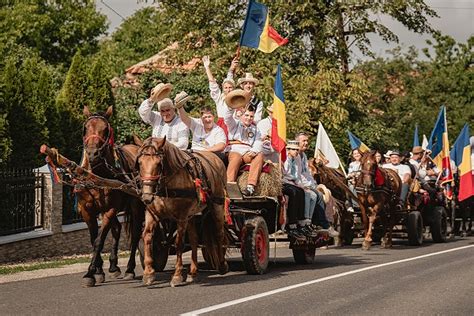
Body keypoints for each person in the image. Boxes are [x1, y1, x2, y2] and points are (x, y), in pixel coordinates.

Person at [296, 132, 339, 237]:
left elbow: (306, 173)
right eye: (303, 141)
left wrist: (314, 184)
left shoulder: (304, 156)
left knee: (324, 193)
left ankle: (321, 223)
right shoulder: (295, 155)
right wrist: (307, 185)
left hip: (306, 183)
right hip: (297, 183)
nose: (306, 143)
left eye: (307, 141)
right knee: (316, 195)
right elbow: (297, 174)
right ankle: (315, 223)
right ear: (297, 142)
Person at [224, 103, 263, 196]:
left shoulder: (256, 129)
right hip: (234, 149)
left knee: (259, 155)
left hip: (247, 151)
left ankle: (250, 186)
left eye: (251, 116)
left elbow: (258, 142)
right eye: (246, 115)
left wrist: (254, 151)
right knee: (236, 157)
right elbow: (227, 118)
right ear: (241, 115)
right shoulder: (234, 124)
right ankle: (229, 184)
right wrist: (231, 107)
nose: (249, 118)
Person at [282, 140, 315, 238]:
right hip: (284, 181)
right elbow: (285, 174)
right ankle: (292, 224)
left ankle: (302, 222)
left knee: (302, 192)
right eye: (293, 149)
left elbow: (298, 175)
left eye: (297, 150)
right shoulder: (284, 159)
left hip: (293, 182)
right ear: (288, 150)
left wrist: (299, 183)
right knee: (294, 192)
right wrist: (295, 181)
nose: (296, 152)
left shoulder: (297, 159)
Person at [202, 55, 238, 135]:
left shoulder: (237, 99)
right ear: (223, 88)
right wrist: (207, 67)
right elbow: (213, 84)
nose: (228, 90)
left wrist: (231, 69)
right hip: (221, 126)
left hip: (234, 126)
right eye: (226, 88)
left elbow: (230, 79)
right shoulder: (219, 98)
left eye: (230, 87)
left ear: (233, 88)